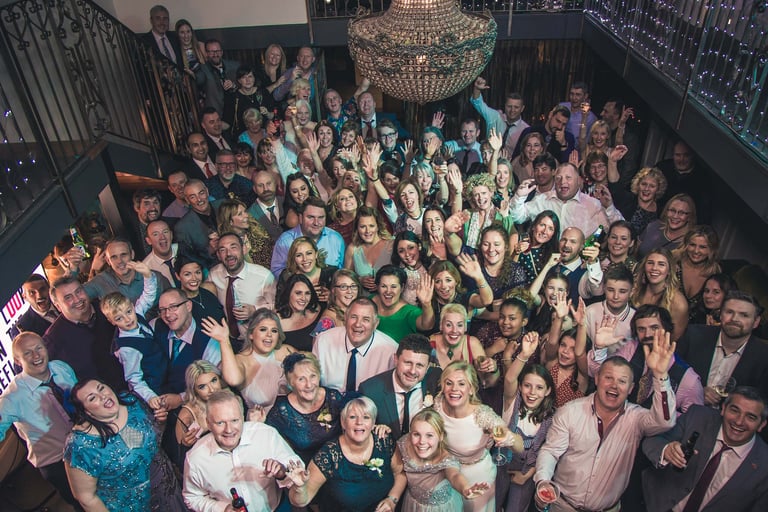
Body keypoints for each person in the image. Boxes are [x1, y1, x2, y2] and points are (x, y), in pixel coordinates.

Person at [534, 333, 678, 512]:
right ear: (597, 379)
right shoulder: (570, 411)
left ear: (631, 388)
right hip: (563, 506)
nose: (614, 385)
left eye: (622, 381)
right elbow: (551, 452)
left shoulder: (636, 418)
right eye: (608, 378)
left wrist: (661, 376)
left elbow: (665, 422)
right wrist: (543, 481)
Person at [64, 379, 186, 511]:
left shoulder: (131, 403)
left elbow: (149, 447)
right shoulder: (81, 445)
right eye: (92, 398)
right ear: (86, 411)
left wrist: (161, 422)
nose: (103, 396)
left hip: (167, 490)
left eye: (101, 388)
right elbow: (86, 498)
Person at [641, 386, 768, 512]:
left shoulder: (764, 465)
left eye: (750, 417)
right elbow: (653, 441)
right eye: (734, 410)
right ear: (723, 409)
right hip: (652, 504)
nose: (739, 421)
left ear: (761, 425)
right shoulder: (698, 417)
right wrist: (666, 450)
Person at [183, 389, 300, 511]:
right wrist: (222, 509)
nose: (229, 430)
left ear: (243, 417)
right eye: (220, 423)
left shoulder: (266, 434)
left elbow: (299, 469)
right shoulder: (196, 458)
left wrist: (282, 472)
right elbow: (192, 497)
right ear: (208, 423)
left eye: (234, 420)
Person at [0, 333, 80, 509]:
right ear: (18, 361)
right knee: (85, 504)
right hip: (58, 463)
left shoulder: (61, 368)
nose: (36, 356)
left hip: (88, 446)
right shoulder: (11, 398)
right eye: (27, 353)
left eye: (39, 348)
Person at [435, 361, 523, 512]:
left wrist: (509, 438)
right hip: (447, 474)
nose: (454, 389)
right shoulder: (438, 405)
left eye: (461, 384)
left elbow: (519, 446)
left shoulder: (481, 414)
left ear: (471, 389)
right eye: (449, 383)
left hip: (477, 478)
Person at [286, 396, 397, 511]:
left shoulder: (384, 441)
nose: (359, 422)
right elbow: (301, 501)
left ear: (373, 422)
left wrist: (392, 499)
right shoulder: (328, 455)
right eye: (353, 417)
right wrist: (299, 488)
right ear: (343, 422)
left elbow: (400, 473)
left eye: (366, 417)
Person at [676, 291, 768, 409]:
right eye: (729, 312)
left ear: (756, 322)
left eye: (744, 315)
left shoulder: (764, 357)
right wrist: (695, 391)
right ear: (720, 315)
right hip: (684, 412)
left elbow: (762, 403)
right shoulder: (693, 335)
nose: (734, 319)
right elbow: (672, 375)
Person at [392, 408, 492, 511]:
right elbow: (400, 472)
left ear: (440, 436)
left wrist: (465, 488)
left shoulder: (446, 459)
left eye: (429, 435)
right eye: (416, 434)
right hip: (412, 504)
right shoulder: (405, 444)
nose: (422, 441)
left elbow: (454, 476)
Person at [500, 334, 556, 512]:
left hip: (527, 472)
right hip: (500, 466)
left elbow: (547, 452)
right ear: (520, 386)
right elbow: (509, 379)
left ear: (547, 391)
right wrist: (524, 354)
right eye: (527, 386)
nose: (532, 392)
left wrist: (527, 476)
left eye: (539, 388)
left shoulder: (552, 418)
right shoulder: (512, 402)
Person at [201, 308, 293, 414]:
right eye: (263, 329)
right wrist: (224, 340)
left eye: (274, 331)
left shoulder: (286, 351)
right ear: (251, 334)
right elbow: (233, 380)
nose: (269, 334)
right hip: (262, 422)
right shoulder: (241, 361)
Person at [45, 275, 127, 391]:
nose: (77, 300)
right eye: (68, 298)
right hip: (102, 398)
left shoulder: (108, 309)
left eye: (78, 291)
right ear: (58, 306)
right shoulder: (53, 339)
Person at [266, 352, 345, 462]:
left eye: (313, 376)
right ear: (291, 383)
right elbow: (270, 445)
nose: (309, 385)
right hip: (304, 467)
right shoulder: (281, 412)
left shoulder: (334, 398)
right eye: (301, 379)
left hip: (339, 462)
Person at [359, 334, 442, 438]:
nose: (412, 371)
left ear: (428, 367)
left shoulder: (437, 379)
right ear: (396, 359)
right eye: (408, 363)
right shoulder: (370, 391)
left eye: (419, 365)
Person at [510, 162, 623, 238]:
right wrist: (519, 197)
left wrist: (609, 208)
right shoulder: (542, 199)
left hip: (579, 262)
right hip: (546, 259)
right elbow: (517, 217)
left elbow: (618, 231)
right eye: (558, 178)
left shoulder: (592, 204)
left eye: (568, 178)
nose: (563, 182)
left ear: (578, 181)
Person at [313, 297, 398, 394]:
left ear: (375, 324)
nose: (358, 324)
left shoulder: (391, 350)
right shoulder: (323, 341)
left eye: (366, 319)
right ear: (345, 318)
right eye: (353, 317)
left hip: (371, 402)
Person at [208, 232, 276, 341]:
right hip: (226, 339)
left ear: (243, 249)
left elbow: (277, 307)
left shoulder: (264, 276)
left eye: (233, 247)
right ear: (218, 255)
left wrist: (255, 310)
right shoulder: (214, 274)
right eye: (223, 250)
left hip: (256, 340)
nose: (228, 254)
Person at [153, 288, 221, 395]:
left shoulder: (209, 339)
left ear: (188, 306)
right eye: (162, 309)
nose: (167, 314)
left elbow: (215, 385)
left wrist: (181, 398)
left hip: (193, 402)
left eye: (173, 307)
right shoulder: (156, 326)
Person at [271, 196, 346, 277]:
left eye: (321, 217)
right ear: (300, 218)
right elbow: (277, 272)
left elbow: (342, 272)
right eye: (311, 217)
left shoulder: (336, 239)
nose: (316, 223)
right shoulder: (285, 241)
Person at [630, 248, 689, 342]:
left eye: (661, 264)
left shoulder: (679, 303)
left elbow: (674, 340)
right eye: (650, 263)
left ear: (669, 270)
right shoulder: (634, 290)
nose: (654, 268)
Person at [174, 360, 226, 453]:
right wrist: (185, 443)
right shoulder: (187, 415)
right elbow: (180, 454)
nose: (212, 389)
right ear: (194, 390)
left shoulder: (230, 397)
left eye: (214, 380)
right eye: (202, 387)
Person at [373, 265, 435, 341]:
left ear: (402, 287)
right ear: (378, 287)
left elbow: (427, 325)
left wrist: (426, 303)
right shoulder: (370, 302)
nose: (388, 291)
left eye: (393, 286)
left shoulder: (409, 312)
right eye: (383, 286)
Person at [673, 225, 721, 322]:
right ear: (686, 244)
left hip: (695, 328)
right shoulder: (672, 262)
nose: (696, 251)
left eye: (702, 247)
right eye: (692, 245)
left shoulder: (715, 274)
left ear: (711, 250)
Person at [470, 77, 528, 155]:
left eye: (516, 107)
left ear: (522, 108)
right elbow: (478, 104)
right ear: (505, 106)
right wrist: (477, 89)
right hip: (487, 159)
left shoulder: (526, 129)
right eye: (509, 106)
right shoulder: (495, 116)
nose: (512, 110)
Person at [344, 206, 394, 294]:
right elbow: (345, 279)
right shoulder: (352, 249)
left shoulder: (392, 245)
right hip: (363, 300)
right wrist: (359, 280)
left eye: (371, 226)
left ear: (378, 226)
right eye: (362, 226)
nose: (367, 231)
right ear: (357, 228)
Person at [277, 236, 337, 306]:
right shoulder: (287, 276)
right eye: (299, 255)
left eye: (309, 253)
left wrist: (333, 298)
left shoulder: (333, 273)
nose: (305, 259)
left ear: (316, 254)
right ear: (294, 258)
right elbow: (279, 304)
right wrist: (307, 295)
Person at [174, 179, 219, 268]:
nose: (199, 199)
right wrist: (209, 251)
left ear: (207, 192)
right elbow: (188, 259)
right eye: (192, 197)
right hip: (211, 270)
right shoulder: (182, 227)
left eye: (201, 193)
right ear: (187, 200)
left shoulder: (223, 205)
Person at [637, 193, 697, 259]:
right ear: (666, 211)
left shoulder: (691, 242)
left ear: (689, 217)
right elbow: (634, 251)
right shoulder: (653, 226)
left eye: (681, 213)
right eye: (672, 210)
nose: (675, 216)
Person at [217, 198, 273, 268]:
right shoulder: (225, 244)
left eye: (245, 211)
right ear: (230, 221)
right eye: (240, 214)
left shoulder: (256, 229)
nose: (246, 215)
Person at [276, 273, 323, 352]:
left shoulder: (319, 310)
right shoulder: (275, 321)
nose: (303, 298)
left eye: (307, 293)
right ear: (288, 293)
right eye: (298, 293)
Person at [195, 40, 240, 117]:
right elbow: (199, 81)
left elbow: (246, 84)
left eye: (218, 51)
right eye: (212, 52)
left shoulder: (235, 66)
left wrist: (234, 85)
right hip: (216, 115)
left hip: (237, 112)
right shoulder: (202, 69)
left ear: (222, 52)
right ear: (207, 54)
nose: (215, 54)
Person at [173, 255, 224, 322]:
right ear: (178, 276)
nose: (194, 278)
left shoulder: (209, 292)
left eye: (197, 272)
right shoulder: (178, 303)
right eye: (187, 274)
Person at [314, 269, 362, 335]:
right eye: (343, 287)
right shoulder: (328, 319)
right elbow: (316, 340)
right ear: (334, 290)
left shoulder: (354, 312)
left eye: (353, 286)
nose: (350, 291)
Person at [247, 169, 285, 242]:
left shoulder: (287, 203)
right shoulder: (250, 214)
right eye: (260, 185)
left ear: (275, 184)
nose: (266, 189)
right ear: (254, 189)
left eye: (269, 184)